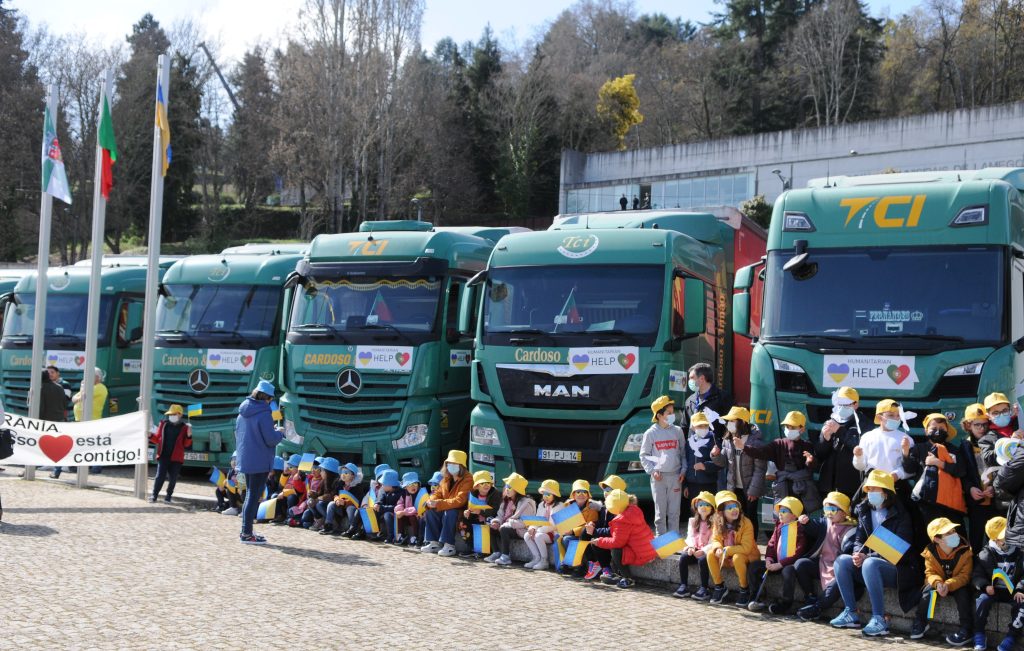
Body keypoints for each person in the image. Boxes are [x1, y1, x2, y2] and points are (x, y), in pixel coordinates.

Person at [831, 469, 920, 637]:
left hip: (899, 569)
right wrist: (857, 553)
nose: (870, 493)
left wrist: (868, 557)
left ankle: (879, 619)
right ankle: (851, 612)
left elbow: (899, 549)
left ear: (886, 493)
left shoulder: (902, 515)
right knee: (842, 560)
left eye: (874, 489)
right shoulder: (864, 510)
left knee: (870, 563)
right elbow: (859, 540)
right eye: (868, 489)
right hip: (868, 564)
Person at [734, 410, 820, 514]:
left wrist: (810, 461)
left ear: (802, 429)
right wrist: (744, 447)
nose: (789, 429)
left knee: (801, 518)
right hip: (783, 487)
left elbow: (813, 468)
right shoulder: (778, 443)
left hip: (802, 489)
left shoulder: (807, 445)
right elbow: (761, 452)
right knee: (782, 516)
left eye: (793, 427)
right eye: (787, 427)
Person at [795, 491, 859, 621]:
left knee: (837, 583)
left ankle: (818, 607)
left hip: (840, 569)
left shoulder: (852, 529)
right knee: (801, 564)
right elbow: (813, 527)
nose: (829, 512)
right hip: (822, 564)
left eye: (833, 509)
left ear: (844, 512)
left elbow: (850, 551)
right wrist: (805, 522)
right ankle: (810, 597)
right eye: (826, 508)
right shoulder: (825, 522)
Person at [234, 379, 284, 544]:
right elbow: (270, 439)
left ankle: (246, 531)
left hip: (246, 458)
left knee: (250, 494)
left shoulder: (243, 410)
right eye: (270, 399)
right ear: (267, 398)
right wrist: (280, 433)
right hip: (260, 459)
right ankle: (247, 533)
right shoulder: (264, 413)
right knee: (253, 496)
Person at [911, 517, 973, 645]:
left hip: (957, 584)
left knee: (963, 594)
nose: (954, 534)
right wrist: (938, 583)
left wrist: (948, 585)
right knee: (928, 590)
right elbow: (930, 573)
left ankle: (966, 629)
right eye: (948, 533)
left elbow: (965, 576)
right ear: (937, 539)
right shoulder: (930, 552)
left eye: (954, 531)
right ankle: (920, 621)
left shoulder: (965, 551)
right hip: (939, 585)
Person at [711, 406, 766, 541]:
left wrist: (753, 490)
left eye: (732, 421)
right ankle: (738, 544)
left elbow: (760, 469)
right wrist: (715, 455)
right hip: (734, 488)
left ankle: (751, 545)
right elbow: (723, 462)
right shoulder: (727, 439)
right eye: (728, 421)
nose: (729, 424)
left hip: (751, 488)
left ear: (742, 422)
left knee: (750, 517)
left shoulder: (755, 442)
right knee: (735, 518)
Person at [746, 496, 809, 614]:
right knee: (754, 566)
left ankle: (786, 603)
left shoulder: (800, 529)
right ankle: (756, 596)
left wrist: (780, 564)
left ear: (794, 515)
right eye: (780, 511)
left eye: (784, 511)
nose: (780, 514)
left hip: (788, 564)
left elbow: (798, 552)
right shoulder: (779, 525)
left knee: (788, 572)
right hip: (776, 562)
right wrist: (769, 559)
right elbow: (771, 543)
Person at [903, 413, 967, 527]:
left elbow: (961, 471)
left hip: (950, 502)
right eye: (933, 428)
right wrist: (905, 452)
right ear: (926, 431)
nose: (938, 431)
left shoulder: (954, 449)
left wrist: (939, 463)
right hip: (926, 502)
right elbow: (909, 469)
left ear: (947, 430)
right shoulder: (919, 448)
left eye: (942, 428)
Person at [973, 516, 1024, 651]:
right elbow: (977, 575)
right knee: (982, 600)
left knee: (1022, 605)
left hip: (1014, 590)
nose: (1008, 539)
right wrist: (984, 585)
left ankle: (1011, 636)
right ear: (995, 539)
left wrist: (1020, 589)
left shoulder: (1020, 551)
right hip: (993, 590)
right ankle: (978, 632)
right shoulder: (985, 554)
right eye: (1004, 537)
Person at [591, 489, 656, 589]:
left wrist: (599, 541)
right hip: (649, 548)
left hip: (642, 554)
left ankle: (628, 578)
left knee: (616, 550)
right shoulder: (634, 510)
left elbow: (617, 543)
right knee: (613, 545)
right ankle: (617, 574)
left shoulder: (621, 520)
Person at [640, 395, 686, 536]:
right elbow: (643, 456)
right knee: (660, 513)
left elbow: (684, 454)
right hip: (658, 478)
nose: (672, 415)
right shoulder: (650, 433)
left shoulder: (678, 431)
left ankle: (673, 543)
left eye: (673, 412)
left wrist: (683, 470)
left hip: (675, 477)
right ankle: (662, 543)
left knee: (674, 512)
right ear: (659, 415)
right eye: (669, 413)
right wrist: (652, 471)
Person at [706, 489, 760, 606]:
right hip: (726, 556)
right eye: (729, 508)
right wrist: (718, 548)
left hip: (747, 556)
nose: (734, 510)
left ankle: (744, 588)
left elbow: (746, 548)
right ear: (721, 512)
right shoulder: (717, 523)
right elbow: (715, 539)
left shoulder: (746, 523)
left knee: (737, 557)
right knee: (711, 553)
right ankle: (719, 586)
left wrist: (726, 550)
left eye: (735, 506)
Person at [815, 387, 864, 500]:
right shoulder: (831, 420)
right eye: (839, 404)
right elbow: (820, 454)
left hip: (851, 485)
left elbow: (858, 448)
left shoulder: (864, 424)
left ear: (856, 405)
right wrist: (825, 439)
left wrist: (840, 431)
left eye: (846, 404)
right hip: (828, 485)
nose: (842, 407)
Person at [421, 449, 472, 557]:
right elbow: (437, 493)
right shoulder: (446, 478)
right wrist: (431, 500)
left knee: (450, 512)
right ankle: (434, 543)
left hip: (461, 511)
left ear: (461, 465)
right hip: (446, 507)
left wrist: (438, 503)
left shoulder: (468, 479)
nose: (450, 465)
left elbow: (460, 500)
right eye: (449, 463)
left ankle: (449, 545)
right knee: (430, 511)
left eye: (454, 463)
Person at [486, 472, 536, 567]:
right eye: (506, 486)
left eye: (509, 487)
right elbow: (500, 515)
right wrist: (496, 522)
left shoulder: (526, 503)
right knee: (492, 527)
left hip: (520, 530)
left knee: (504, 529)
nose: (506, 489)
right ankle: (496, 552)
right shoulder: (506, 500)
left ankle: (505, 556)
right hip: (508, 526)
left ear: (517, 490)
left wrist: (509, 523)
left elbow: (525, 522)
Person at [674, 490, 716, 599]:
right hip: (695, 549)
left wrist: (704, 550)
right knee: (683, 557)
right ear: (696, 507)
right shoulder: (692, 521)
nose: (703, 507)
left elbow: (714, 541)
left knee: (702, 560)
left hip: (708, 551)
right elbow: (690, 536)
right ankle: (683, 585)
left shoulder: (715, 523)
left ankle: (704, 588)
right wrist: (690, 547)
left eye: (707, 505)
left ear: (712, 508)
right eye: (700, 505)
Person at [148, 404, 193, 503]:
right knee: (160, 476)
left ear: (180, 415)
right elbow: (158, 439)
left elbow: (186, 444)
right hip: (163, 456)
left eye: (174, 414)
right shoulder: (163, 424)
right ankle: (154, 495)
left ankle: (168, 496)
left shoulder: (185, 427)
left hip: (176, 458)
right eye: (170, 414)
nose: (171, 415)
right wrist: (150, 436)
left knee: (173, 479)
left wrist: (189, 436)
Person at [555, 480, 601, 577]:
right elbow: (563, 522)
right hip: (570, 533)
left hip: (585, 535)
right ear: (573, 494)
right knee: (558, 537)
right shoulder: (568, 505)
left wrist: (572, 531)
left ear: (588, 495)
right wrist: (563, 529)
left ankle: (579, 566)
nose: (581, 494)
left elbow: (589, 526)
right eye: (578, 492)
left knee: (568, 539)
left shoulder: (592, 508)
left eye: (584, 492)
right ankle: (564, 563)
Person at [585, 474, 625, 582]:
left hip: (620, 539)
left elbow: (614, 530)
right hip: (611, 536)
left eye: (608, 489)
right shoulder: (605, 507)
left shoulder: (619, 509)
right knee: (586, 534)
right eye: (604, 489)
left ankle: (607, 569)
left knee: (597, 541)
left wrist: (596, 531)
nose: (605, 492)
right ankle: (596, 563)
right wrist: (594, 525)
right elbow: (603, 524)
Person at [71, 367, 108, 474]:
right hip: (81, 420)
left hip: (92, 420)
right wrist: (80, 394)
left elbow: (83, 396)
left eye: (88, 376)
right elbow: (74, 399)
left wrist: (82, 387)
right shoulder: (89, 387)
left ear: (97, 377)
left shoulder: (100, 387)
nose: (86, 379)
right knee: (82, 444)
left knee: (94, 445)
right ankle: (79, 465)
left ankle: (96, 467)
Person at [680, 362, 730, 437]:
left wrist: (720, 446)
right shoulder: (690, 400)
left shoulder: (723, 398)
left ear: (702, 378)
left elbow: (729, 425)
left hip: (714, 447)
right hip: (693, 446)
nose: (689, 381)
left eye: (691, 378)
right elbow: (684, 427)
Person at [459, 470, 502, 558]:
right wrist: (467, 512)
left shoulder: (495, 494)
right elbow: (470, 507)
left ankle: (485, 550)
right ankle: (471, 547)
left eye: (488, 483)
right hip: (475, 517)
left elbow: (495, 511)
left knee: (488, 521)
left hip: (489, 518)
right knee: (462, 522)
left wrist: (481, 512)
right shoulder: (472, 494)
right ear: (477, 486)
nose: (487, 485)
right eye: (483, 483)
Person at [684, 412, 720, 505]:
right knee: (694, 511)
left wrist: (705, 466)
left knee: (709, 510)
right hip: (692, 485)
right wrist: (685, 485)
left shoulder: (714, 441)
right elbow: (685, 462)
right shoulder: (689, 442)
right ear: (693, 427)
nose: (703, 428)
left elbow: (720, 463)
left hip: (709, 483)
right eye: (699, 426)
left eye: (705, 425)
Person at [323, 462, 364, 536]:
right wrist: (337, 499)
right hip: (340, 508)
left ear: (352, 475)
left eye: (346, 473)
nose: (343, 475)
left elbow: (358, 501)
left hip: (351, 509)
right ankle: (328, 526)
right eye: (342, 472)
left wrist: (345, 502)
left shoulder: (357, 486)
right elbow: (335, 494)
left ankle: (352, 528)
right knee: (331, 504)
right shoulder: (339, 483)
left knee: (350, 508)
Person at [392, 472, 422, 546]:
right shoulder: (404, 494)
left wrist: (404, 512)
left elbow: (418, 508)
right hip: (406, 515)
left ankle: (415, 536)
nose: (413, 487)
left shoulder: (421, 494)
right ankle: (401, 534)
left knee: (412, 517)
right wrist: (399, 511)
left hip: (417, 516)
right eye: (409, 485)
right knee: (399, 516)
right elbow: (400, 503)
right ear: (405, 487)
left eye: (415, 484)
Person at [373, 469, 402, 543]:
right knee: (372, 510)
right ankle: (375, 532)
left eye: (383, 484)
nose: (382, 486)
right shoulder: (383, 490)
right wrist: (377, 504)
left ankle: (390, 536)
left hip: (395, 513)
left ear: (390, 485)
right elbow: (380, 498)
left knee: (387, 515)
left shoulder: (400, 493)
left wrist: (383, 508)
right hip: (384, 509)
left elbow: (396, 507)